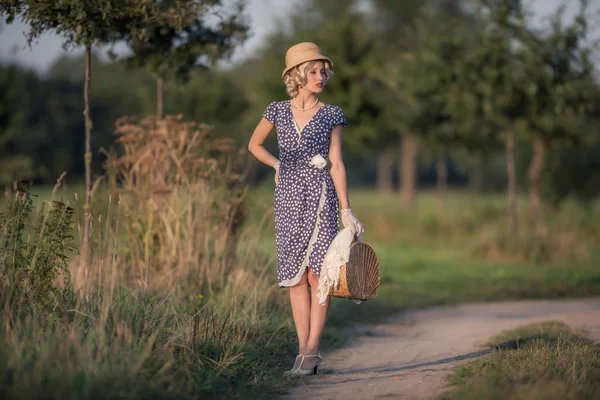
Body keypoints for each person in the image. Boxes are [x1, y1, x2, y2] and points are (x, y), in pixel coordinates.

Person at [248, 42, 364, 375]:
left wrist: (347, 209)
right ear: (298, 75)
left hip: (322, 197)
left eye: (323, 72)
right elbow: (254, 145)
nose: (320, 77)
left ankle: (313, 351)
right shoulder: (276, 110)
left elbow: (337, 163)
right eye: (313, 71)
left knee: (319, 275)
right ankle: (301, 351)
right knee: (295, 278)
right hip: (287, 198)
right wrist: (276, 165)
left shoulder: (331, 114)